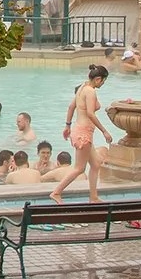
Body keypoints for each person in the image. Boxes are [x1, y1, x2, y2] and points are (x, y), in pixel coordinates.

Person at [49, 64, 115, 203]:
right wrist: (104, 131)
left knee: (96, 164)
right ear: (98, 79)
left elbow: (71, 106)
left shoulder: (81, 88)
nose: (103, 84)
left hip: (81, 131)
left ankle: (93, 197)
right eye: (103, 81)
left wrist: (67, 125)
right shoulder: (90, 91)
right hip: (83, 134)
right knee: (79, 168)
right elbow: (90, 113)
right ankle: (56, 192)